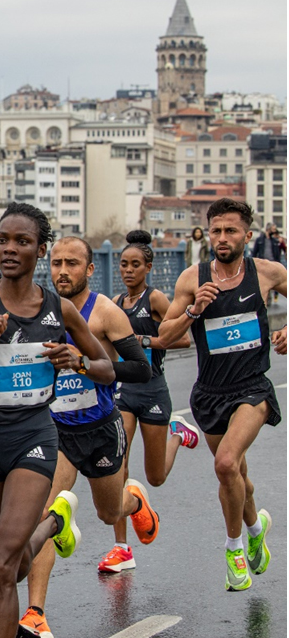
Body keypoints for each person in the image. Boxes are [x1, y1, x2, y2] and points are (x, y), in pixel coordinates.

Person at [0, 202, 115, 638]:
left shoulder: (60, 309)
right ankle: (53, 524)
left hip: (36, 436)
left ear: (41, 249)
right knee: (11, 566)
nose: (10, 249)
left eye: (22, 241)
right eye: (4, 240)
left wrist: (80, 361)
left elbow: (109, 368)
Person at [18, 236, 157, 638]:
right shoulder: (35, 309)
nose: (62, 270)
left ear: (90, 269)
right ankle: (36, 614)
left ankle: (134, 502)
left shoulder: (105, 313)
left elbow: (140, 371)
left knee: (107, 511)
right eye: (57, 262)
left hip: (99, 429)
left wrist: (83, 362)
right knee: (41, 514)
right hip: (54, 431)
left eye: (72, 263)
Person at [157, 198, 287, 592]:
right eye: (216, 230)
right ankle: (254, 527)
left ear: (248, 234)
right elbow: (164, 336)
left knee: (227, 464)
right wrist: (195, 310)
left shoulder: (267, 272)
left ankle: (232, 549)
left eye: (231, 231)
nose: (222, 238)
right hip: (209, 393)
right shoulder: (191, 280)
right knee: (239, 478)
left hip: (252, 388)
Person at [102, 230, 197, 574]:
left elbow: (183, 339)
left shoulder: (156, 299)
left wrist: (146, 341)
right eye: (123, 265)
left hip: (154, 390)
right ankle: (121, 547)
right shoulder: (114, 304)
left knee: (155, 478)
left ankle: (177, 433)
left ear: (148, 267)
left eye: (134, 265)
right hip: (125, 392)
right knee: (119, 467)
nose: (127, 271)